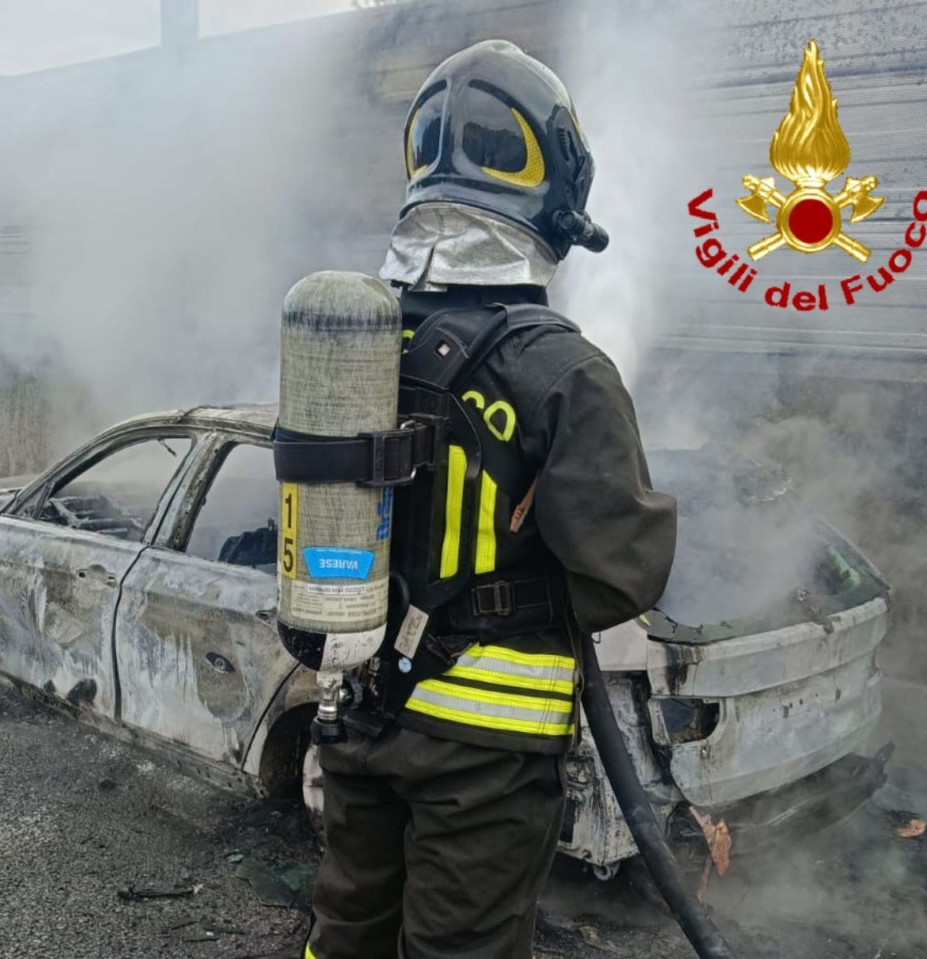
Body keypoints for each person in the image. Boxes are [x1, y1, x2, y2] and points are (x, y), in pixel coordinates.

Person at [302, 39, 678, 959]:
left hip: (358, 708)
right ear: (554, 189)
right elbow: (622, 573)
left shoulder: (353, 341)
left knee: (347, 926)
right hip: (486, 748)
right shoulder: (566, 370)